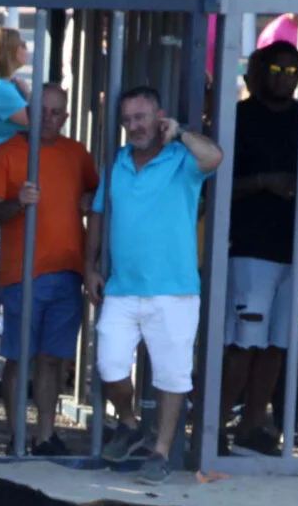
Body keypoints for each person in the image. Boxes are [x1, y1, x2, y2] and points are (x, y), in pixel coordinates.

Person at [91, 86, 222, 481]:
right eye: (128, 119)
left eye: (141, 117)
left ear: (158, 116)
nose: (134, 126)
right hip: (121, 287)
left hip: (175, 289)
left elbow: (214, 156)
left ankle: (160, 453)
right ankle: (130, 424)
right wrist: (89, 265)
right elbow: (98, 213)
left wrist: (179, 133)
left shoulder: (182, 157)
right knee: (110, 364)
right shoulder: (117, 161)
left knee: (172, 375)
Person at [0, 82, 98, 454]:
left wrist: (90, 199)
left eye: (56, 112)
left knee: (53, 358)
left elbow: (94, 195)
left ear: (66, 116)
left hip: (69, 270)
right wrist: (17, 204)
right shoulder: (6, 153)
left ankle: (45, 435)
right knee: (19, 357)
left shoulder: (77, 153)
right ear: (28, 109)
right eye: (41, 109)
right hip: (20, 273)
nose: (48, 118)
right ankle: (17, 435)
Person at [223, 41, 298, 455]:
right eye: (278, 70)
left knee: (278, 345)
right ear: (261, 71)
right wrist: (264, 182)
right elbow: (215, 184)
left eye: (294, 71)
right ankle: (212, 427)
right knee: (243, 342)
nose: (286, 78)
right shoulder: (240, 118)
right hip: (250, 248)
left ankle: (252, 426)